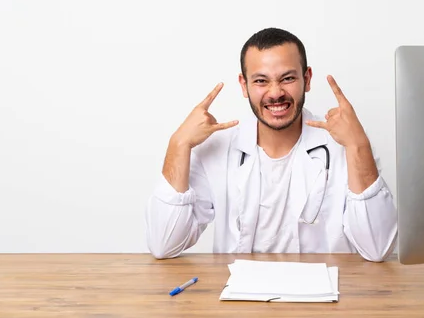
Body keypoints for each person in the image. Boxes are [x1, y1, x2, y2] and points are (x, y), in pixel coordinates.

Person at [145, 27, 397, 262]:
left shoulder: (347, 145)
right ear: (244, 86)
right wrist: (178, 144)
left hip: (326, 301)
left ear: (307, 79)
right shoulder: (216, 148)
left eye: (287, 78)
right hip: (241, 301)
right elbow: (163, 244)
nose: (275, 93)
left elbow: (378, 249)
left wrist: (359, 145)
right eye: (261, 81)